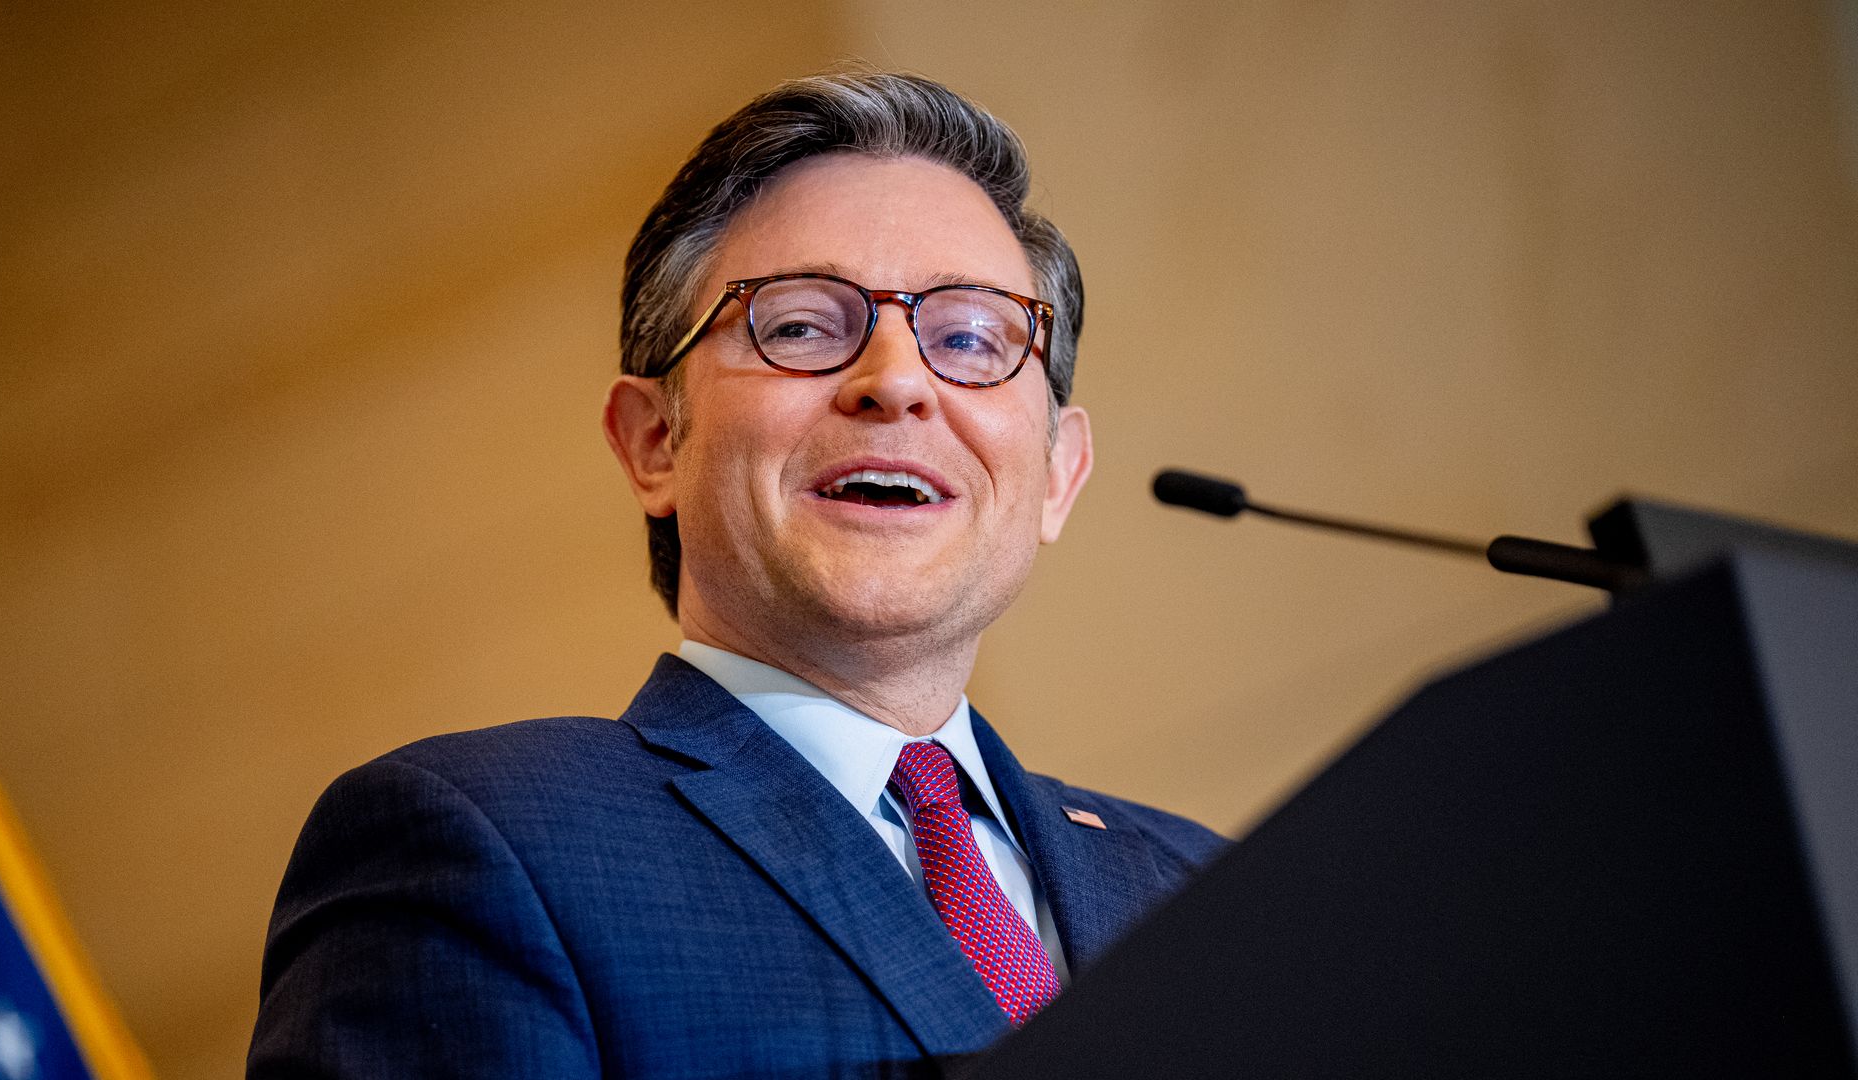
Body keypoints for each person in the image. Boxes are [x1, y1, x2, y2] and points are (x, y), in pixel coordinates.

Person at [248, 69, 1225, 1079]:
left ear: (1060, 473)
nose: (895, 381)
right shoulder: (480, 842)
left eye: (970, 338)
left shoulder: (1209, 886)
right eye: (800, 325)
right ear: (655, 441)